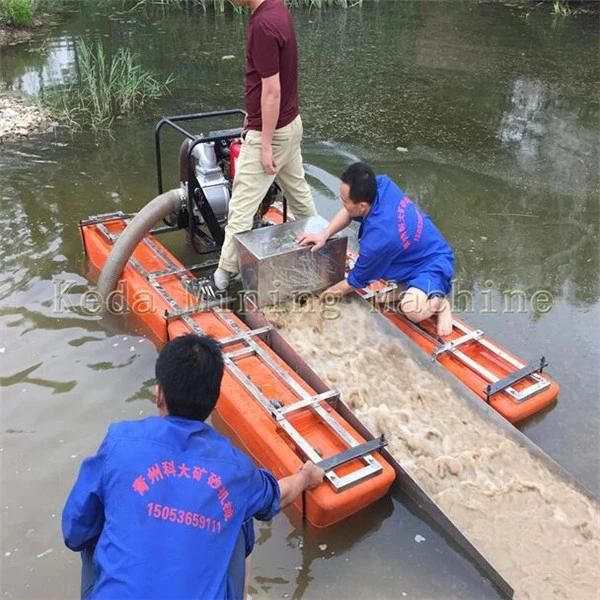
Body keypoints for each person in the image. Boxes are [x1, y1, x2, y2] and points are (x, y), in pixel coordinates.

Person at [62, 334, 324, 599]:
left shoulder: (120, 442)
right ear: (214, 399)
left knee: (98, 516)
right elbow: (276, 496)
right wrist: (306, 477)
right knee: (241, 513)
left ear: (159, 394)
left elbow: (74, 532)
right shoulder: (235, 468)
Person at [214, 0, 316, 290]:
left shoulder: (262, 25)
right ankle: (323, 246)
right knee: (298, 193)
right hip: (291, 124)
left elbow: (272, 91)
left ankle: (222, 277)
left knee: (241, 207)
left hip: (272, 133)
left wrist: (266, 144)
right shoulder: (277, 7)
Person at [298, 162, 455, 337]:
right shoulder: (379, 185)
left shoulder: (379, 239)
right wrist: (324, 234)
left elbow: (354, 282)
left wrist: (320, 299)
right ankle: (405, 287)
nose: (342, 203)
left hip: (433, 263)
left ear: (363, 206)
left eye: (345, 201)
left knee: (412, 310)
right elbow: (348, 211)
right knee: (384, 281)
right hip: (410, 254)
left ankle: (439, 302)